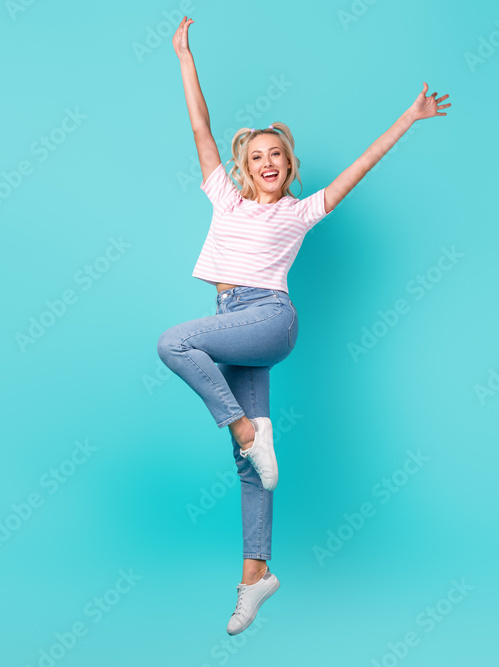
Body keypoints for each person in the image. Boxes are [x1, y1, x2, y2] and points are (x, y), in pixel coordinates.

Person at [156, 15, 449, 636]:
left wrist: (409, 116)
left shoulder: (301, 211)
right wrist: (184, 55)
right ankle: (256, 577)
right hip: (230, 322)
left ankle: (242, 427)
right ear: (243, 166)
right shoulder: (224, 197)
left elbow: (362, 165)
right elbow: (200, 127)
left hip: (269, 318)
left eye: (276, 155)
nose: (266, 161)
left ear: (289, 165)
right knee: (253, 466)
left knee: (174, 344)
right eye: (256, 155)